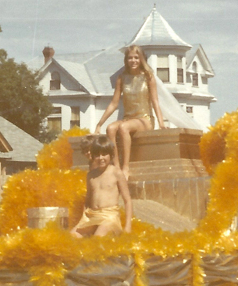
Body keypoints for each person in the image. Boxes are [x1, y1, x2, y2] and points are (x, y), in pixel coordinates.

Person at [93, 45, 166, 179]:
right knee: (110, 128)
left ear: (141, 59)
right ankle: (116, 166)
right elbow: (114, 103)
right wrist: (99, 124)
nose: (133, 60)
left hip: (145, 119)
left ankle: (126, 167)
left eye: (136, 58)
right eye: (130, 58)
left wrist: (161, 123)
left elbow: (155, 101)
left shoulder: (148, 77)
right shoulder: (121, 78)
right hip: (128, 118)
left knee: (123, 127)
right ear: (126, 60)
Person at [70, 135, 133, 238]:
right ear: (93, 156)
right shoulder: (90, 175)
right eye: (97, 155)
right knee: (72, 236)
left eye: (104, 154)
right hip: (92, 215)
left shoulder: (116, 173)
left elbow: (127, 200)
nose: (101, 158)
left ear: (111, 155)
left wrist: (128, 226)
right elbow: (88, 199)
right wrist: (83, 217)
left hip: (109, 216)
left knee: (98, 238)